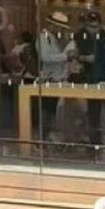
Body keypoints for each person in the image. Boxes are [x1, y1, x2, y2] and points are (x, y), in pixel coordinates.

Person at [73, 9, 105, 145]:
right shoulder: (81, 36)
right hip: (91, 79)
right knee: (94, 114)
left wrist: (97, 59)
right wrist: (83, 58)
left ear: (100, 25)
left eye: (95, 26)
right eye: (90, 26)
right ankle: (95, 144)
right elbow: (79, 53)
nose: (92, 30)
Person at [36, 11, 77, 140]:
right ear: (52, 25)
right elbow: (45, 57)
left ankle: (47, 137)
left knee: (51, 110)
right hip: (48, 78)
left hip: (56, 78)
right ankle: (42, 138)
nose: (60, 30)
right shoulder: (43, 38)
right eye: (59, 27)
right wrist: (65, 56)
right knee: (47, 111)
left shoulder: (52, 38)